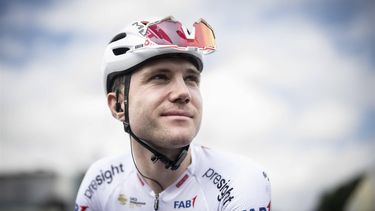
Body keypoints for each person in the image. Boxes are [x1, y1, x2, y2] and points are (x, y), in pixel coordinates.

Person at [75, 16, 271, 211]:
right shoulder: (101, 180)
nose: (183, 93)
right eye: (160, 77)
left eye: (191, 79)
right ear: (118, 105)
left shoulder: (240, 180)